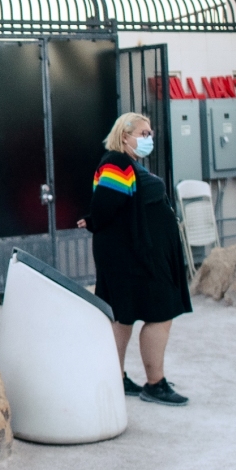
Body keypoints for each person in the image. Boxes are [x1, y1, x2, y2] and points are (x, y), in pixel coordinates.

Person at [82, 112, 192, 406]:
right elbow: (105, 207)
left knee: (125, 315)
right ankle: (155, 384)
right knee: (159, 313)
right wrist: (92, 220)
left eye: (150, 133)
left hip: (135, 254)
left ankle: (115, 377)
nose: (149, 138)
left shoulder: (128, 164)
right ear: (124, 136)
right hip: (133, 257)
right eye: (143, 134)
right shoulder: (117, 163)